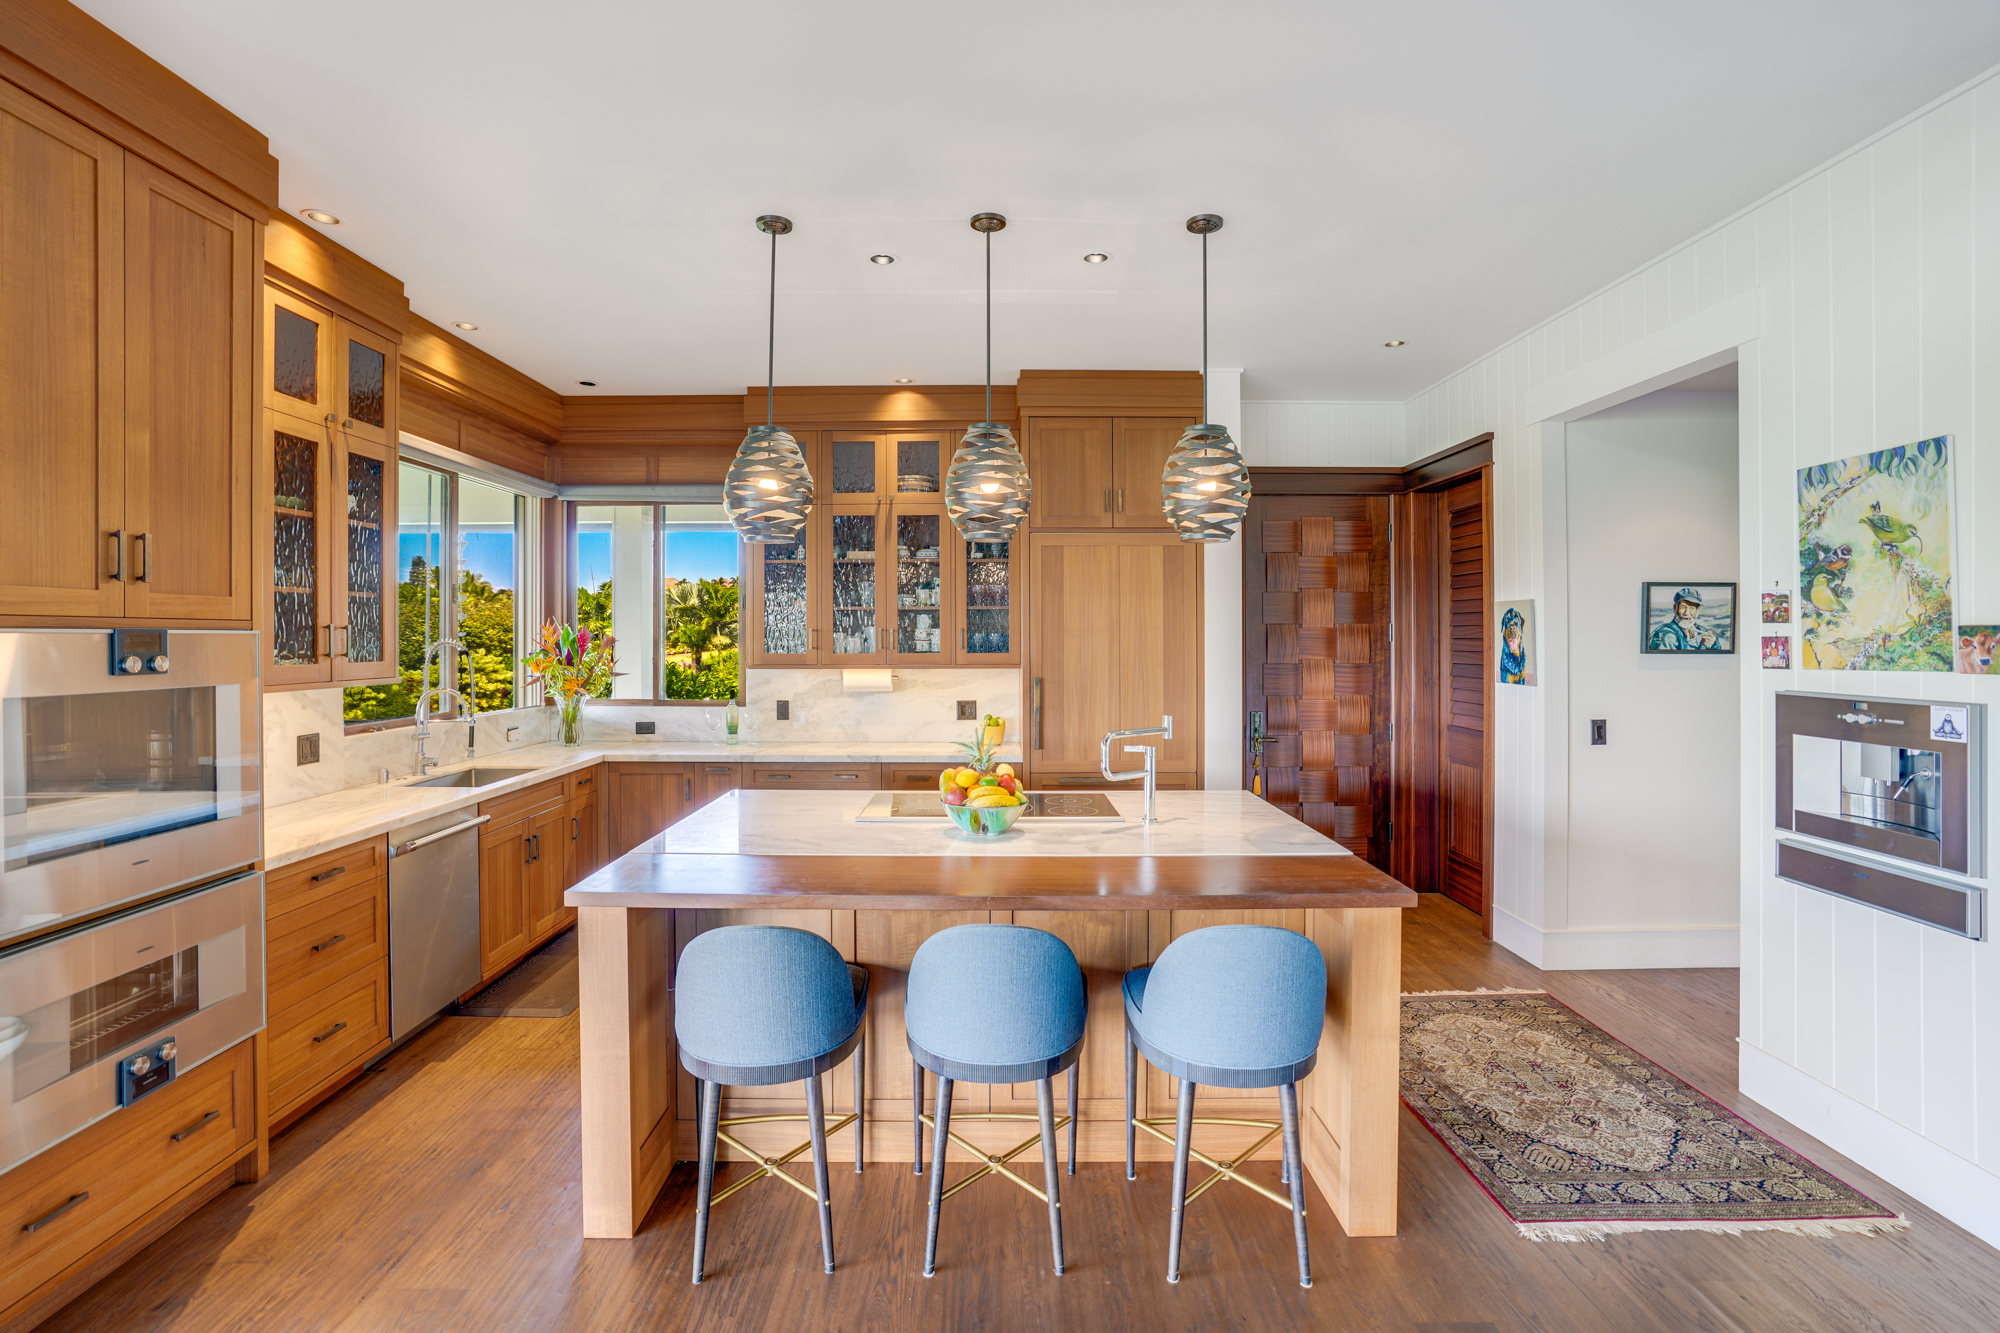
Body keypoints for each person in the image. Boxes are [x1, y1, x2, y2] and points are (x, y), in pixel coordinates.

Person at [1650, 587, 1719, 650]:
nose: (1686, 613)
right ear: (1675, 608)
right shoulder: (1666, 635)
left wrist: (1714, 645)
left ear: (1698, 609)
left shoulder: (1702, 631)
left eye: (1692, 608)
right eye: (1683, 607)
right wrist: (1694, 643)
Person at [1499, 606, 1527, 683]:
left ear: (1521, 626)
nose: (1512, 626)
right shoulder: (1505, 662)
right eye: (1507, 620)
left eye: (1516, 620)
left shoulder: (1523, 658)